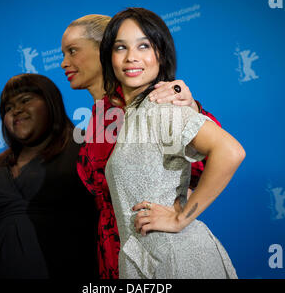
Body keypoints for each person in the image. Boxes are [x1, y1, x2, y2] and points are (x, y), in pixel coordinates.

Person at [61, 15, 222, 279]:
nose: (64, 62)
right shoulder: (100, 114)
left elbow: (209, 159)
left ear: (103, 48)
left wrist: (181, 212)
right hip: (115, 253)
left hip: (154, 251)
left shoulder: (158, 100)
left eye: (73, 51)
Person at [100, 7, 245, 279]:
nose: (131, 57)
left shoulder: (162, 107)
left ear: (161, 54)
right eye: (121, 47)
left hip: (178, 260)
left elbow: (230, 151)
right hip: (151, 260)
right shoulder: (135, 114)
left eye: (144, 45)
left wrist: (181, 217)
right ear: (109, 57)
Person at [0, 73, 98, 279]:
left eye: (25, 100)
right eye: (8, 108)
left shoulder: (86, 150)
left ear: (52, 103)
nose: (17, 110)